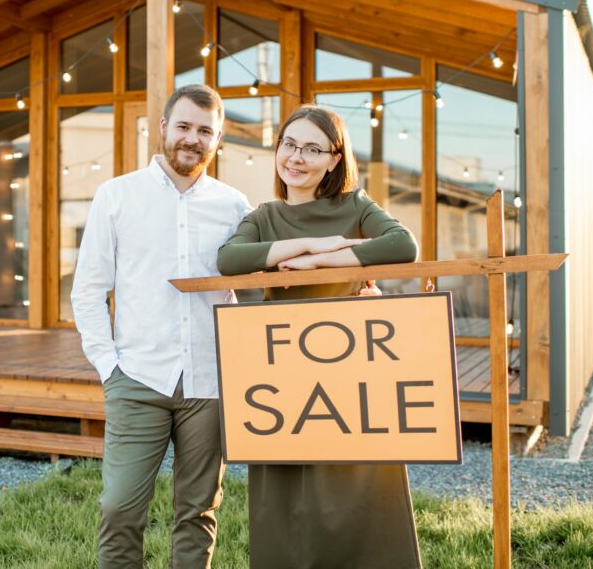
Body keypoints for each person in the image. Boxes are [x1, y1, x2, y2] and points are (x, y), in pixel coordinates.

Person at [217, 105, 422, 569]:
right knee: (287, 491)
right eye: (289, 144)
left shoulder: (355, 206)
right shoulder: (264, 216)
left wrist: (315, 264)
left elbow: (402, 246)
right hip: (283, 374)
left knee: (360, 484)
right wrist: (312, 244)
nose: (297, 157)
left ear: (334, 159)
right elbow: (229, 261)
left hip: (351, 372)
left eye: (313, 149)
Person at [71, 83, 251, 568]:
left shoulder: (236, 206)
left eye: (205, 131)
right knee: (119, 507)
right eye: (185, 126)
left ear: (217, 141)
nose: (193, 138)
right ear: (163, 127)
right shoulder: (116, 196)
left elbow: (257, 285)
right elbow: (88, 290)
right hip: (138, 377)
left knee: (198, 511)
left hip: (210, 381)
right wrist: (110, 367)